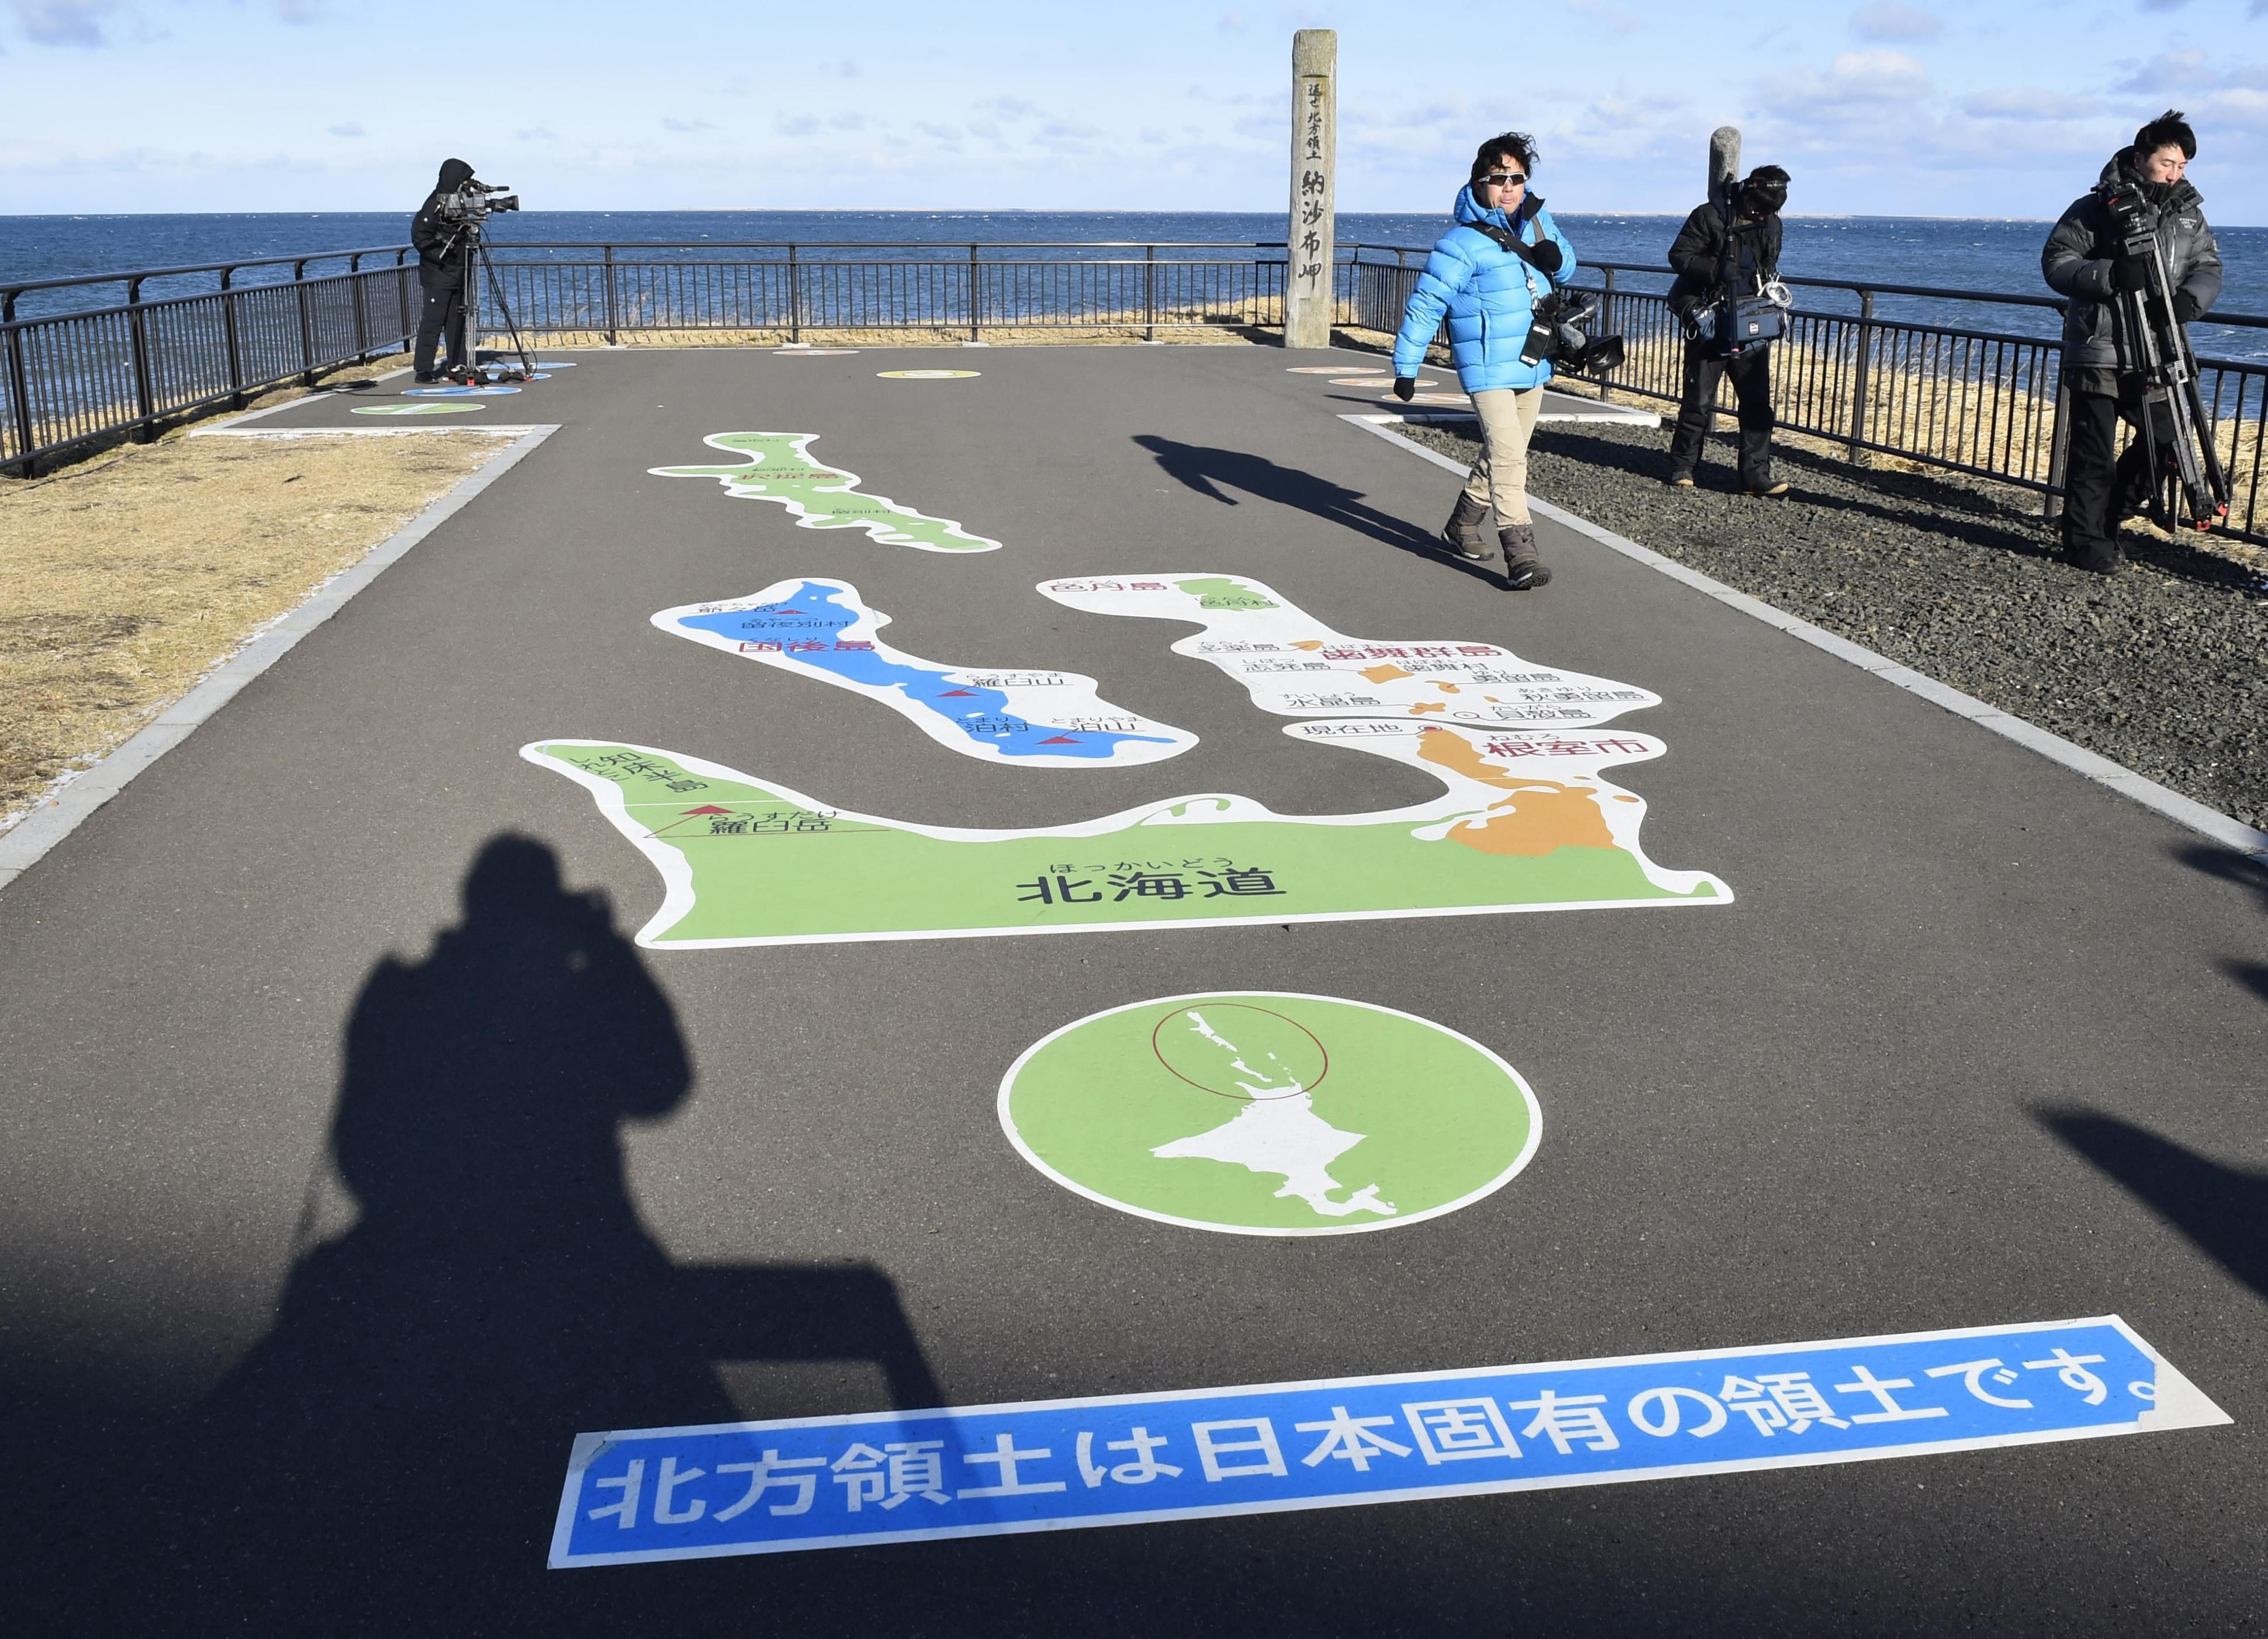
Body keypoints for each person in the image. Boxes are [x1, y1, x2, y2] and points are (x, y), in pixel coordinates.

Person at [1390, 130, 1578, 590]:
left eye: (1518, 178)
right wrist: (1407, 366)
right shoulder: (1460, 243)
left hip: (1533, 358)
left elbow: (1566, 266)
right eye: (1499, 178)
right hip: (1487, 364)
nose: (1509, 187)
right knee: (1510, 456)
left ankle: (1462, 524)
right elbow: (1426, 304)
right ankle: (1521, 552)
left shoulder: (1538, 222)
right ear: (1479, 183)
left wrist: (1556, 257)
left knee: (1505, 453)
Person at [2041, 110, 2222, 574]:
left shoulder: (2188, 213)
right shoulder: (2094, 207)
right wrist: (2110, 275)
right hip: (2098, 347)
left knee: (2168, 442)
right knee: (2093, 452)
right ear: (2140, 159)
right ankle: (2085, 543)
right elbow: (2057, 262)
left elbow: (2208, 267)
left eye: (2182, 165)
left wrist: (2189, 301)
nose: (2174, 173)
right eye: (2167, 163)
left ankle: (2106, 522)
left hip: (2159, 350)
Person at [1664, 164, 1792, 495]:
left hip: (1750, 319)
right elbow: (1679, 255)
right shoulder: (1710, 216)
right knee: (1698, 399)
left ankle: (1756, 477)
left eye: (1769, 211)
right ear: (1749, 193)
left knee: (1757, 404)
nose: (1762, 215)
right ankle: (1683, 466)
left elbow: (1769, 265)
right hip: (1712, 317)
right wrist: (1716, 271)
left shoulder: (1772, 223)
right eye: (1759, 209)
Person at [410, 158, 476, 383]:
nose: (465, 185)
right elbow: (419, 236)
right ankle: (423, 370)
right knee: (433, 323)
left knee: (456, 323)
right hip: (438, 274)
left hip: (457, 273)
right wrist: (440, 255)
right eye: (463, 181)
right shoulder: (434, 205)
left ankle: (457, 364)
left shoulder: (458, 204)